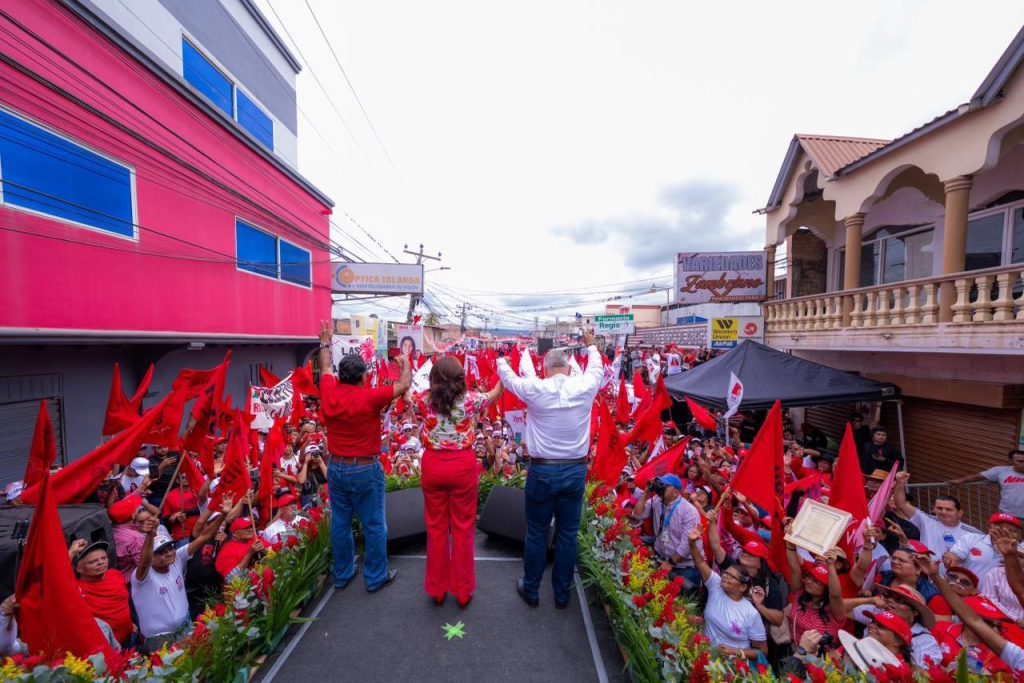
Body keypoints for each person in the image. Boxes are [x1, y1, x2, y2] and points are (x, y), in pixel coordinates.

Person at [498, 328, 604, 609]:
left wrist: (501, 359)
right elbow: (596, 367)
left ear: (544, 370)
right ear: (570, 369)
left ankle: (531, 590)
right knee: (568, 534)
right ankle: (561, 594)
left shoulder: (535, 388)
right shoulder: (585, 386)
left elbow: (508, 380)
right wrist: (591, 345)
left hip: (542, 471)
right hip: (574, 471)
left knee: (536, 532)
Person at [318, 320, 411, 592]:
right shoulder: (369, 398)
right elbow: (404, 385)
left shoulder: (329, 391)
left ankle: (343, 574)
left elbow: (324, 366)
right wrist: (405, 361)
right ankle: (375, 577)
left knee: (340, 522)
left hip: (335, 467)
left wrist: (325, 342)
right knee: (373, 524)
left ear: (340, 375)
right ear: (362, 377)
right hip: (364, 470)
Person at [412, 356, 502, 607]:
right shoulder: (471, 401)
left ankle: (437, 589)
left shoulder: (422, 401)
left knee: (436, 527)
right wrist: (503, 370)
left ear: (433, 379)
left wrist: (406, 367)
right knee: (463, 528)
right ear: (460, 378)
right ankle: (463, 591)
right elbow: (494, 393)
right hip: (462, 466)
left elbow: (405, 392)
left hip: (433, 465)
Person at [132, 502, 223, 652]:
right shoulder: (142, 576)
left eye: (170, 548)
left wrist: (223, 514)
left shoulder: (177, 560)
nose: (169, 553)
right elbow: (144, 562)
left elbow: (205, 536)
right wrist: (149, 535)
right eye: (161, 552)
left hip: (186, 628)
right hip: (160, 641)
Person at [921, 553, 1024, 674]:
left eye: (995, 624)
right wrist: (935, 576)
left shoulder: (1002, 653)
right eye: (984, 621)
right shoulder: (941, 630)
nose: (990, 628)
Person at [687, 527, 768, 660]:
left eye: (731, 577)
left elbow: (762, 652)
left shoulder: (751, 614)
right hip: (703, 657)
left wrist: (735, 652)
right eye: (725, 574)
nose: (725, 577)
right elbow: (700, 562)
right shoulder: (716, 585)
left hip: (731, 670)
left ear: (743, 587)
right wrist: (691, 543)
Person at [628, 474, 702, 587]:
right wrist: (646, 493)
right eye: (660, 484)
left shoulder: (688, 511)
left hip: (683, 567)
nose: (661, 487)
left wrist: (671, 562)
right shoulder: (657, 500)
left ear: (676, 492)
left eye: (665, 486)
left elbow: (687, 544)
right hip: (662, 559)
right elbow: (638, 515)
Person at [892, 471, 977, 558]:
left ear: (960, 513)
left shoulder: (972, 533)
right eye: (939, 508)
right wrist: (900, 483)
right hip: (928, 569)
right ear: (933, 509)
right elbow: (901, 503)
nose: (943, 512)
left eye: (948, 509)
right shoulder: (926, 521)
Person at [71, 538, 135, 647]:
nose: (101, 562)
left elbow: (125, 602)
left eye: (104, 558)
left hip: (131, 638)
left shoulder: (115, 574)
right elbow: (55, 581)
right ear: (79, 568)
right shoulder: (75, 589)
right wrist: (71, 552)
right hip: (106, 647)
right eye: (93, 561)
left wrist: (131, 623)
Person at [949, 449, 1024, 522]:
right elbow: (978, 476)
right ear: (1011, 461)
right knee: (1005, 534)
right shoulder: (1001, 471)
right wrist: (961, 480)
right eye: (1020, 461)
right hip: (1006, 514)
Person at [945, 513, 1023, 578]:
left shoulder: (1021, 552)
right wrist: (950, 559)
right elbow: (953, 558)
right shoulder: (971, 538)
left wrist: (1011, 555)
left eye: (1012, 530)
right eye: (1001, 527)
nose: (1006, 532)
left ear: (1019, 535)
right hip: (966, 591)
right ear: (989, 527)